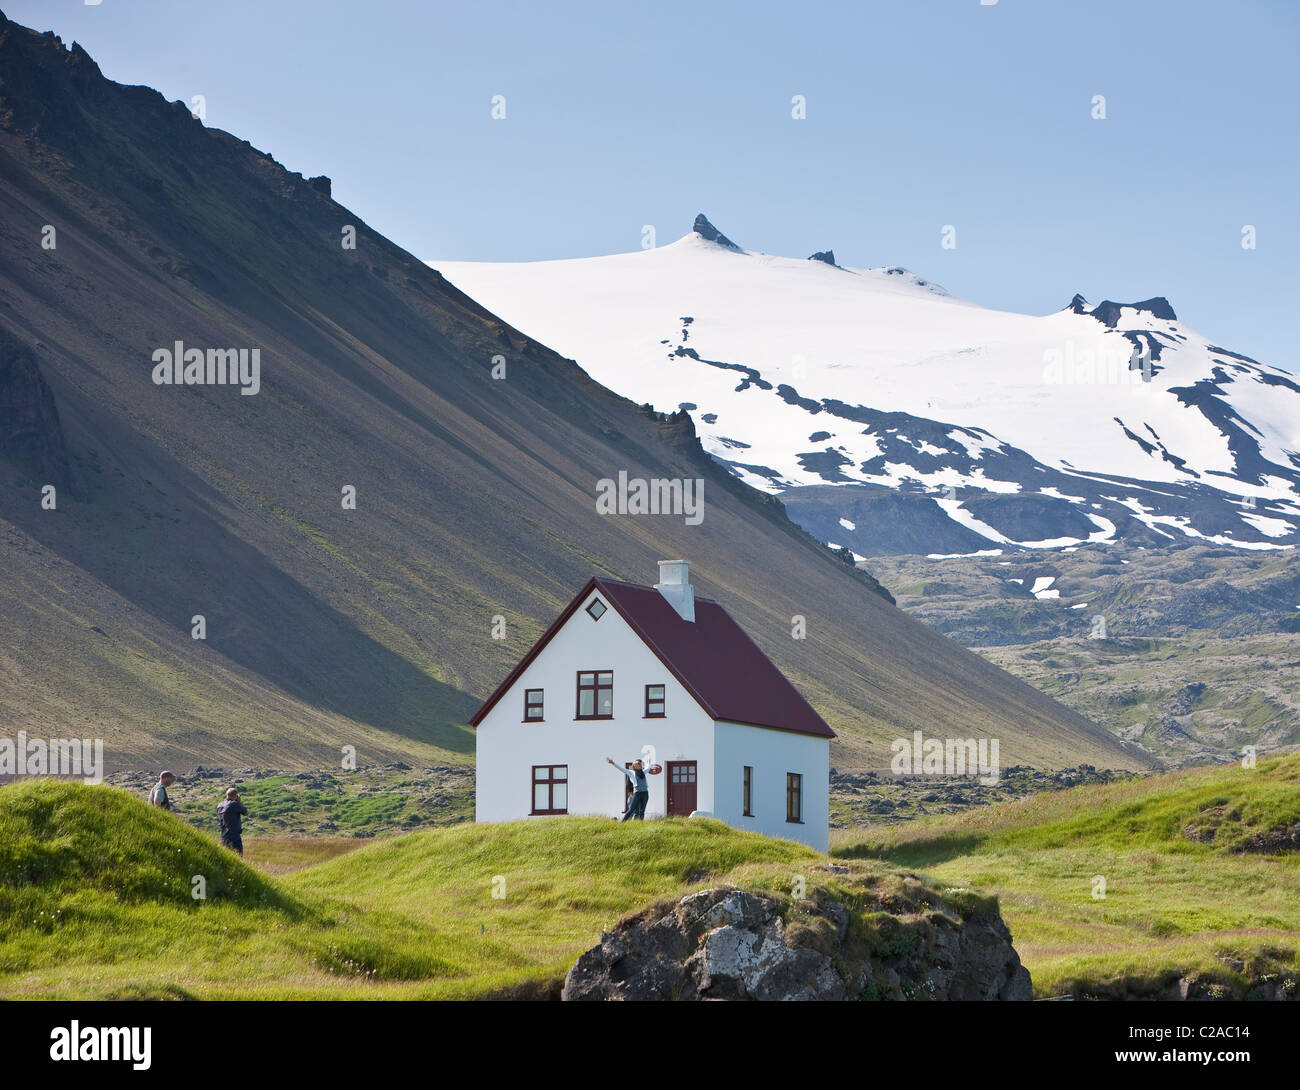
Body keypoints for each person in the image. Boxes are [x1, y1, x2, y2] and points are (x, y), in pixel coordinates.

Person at [607, 757, 650, 822]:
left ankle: (641, 823)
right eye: (638, 764)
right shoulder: (631, 773)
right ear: (634, 766)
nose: (640, 765)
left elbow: (648, 768)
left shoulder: (643, 772)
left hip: (645, 793)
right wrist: (613, 763)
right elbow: (622, 769)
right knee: (631, 810)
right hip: (637, 793)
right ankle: (623, 822)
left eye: (640, 764)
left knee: (642, 810)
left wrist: (649, 761)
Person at [217, 787, 249, 854]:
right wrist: (239, 801)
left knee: (226, 855)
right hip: (234, 835)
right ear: (236, 796)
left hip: (224, 835)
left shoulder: (220, 805)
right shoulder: (234, 804)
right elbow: (245, 813)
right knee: (238, 855)